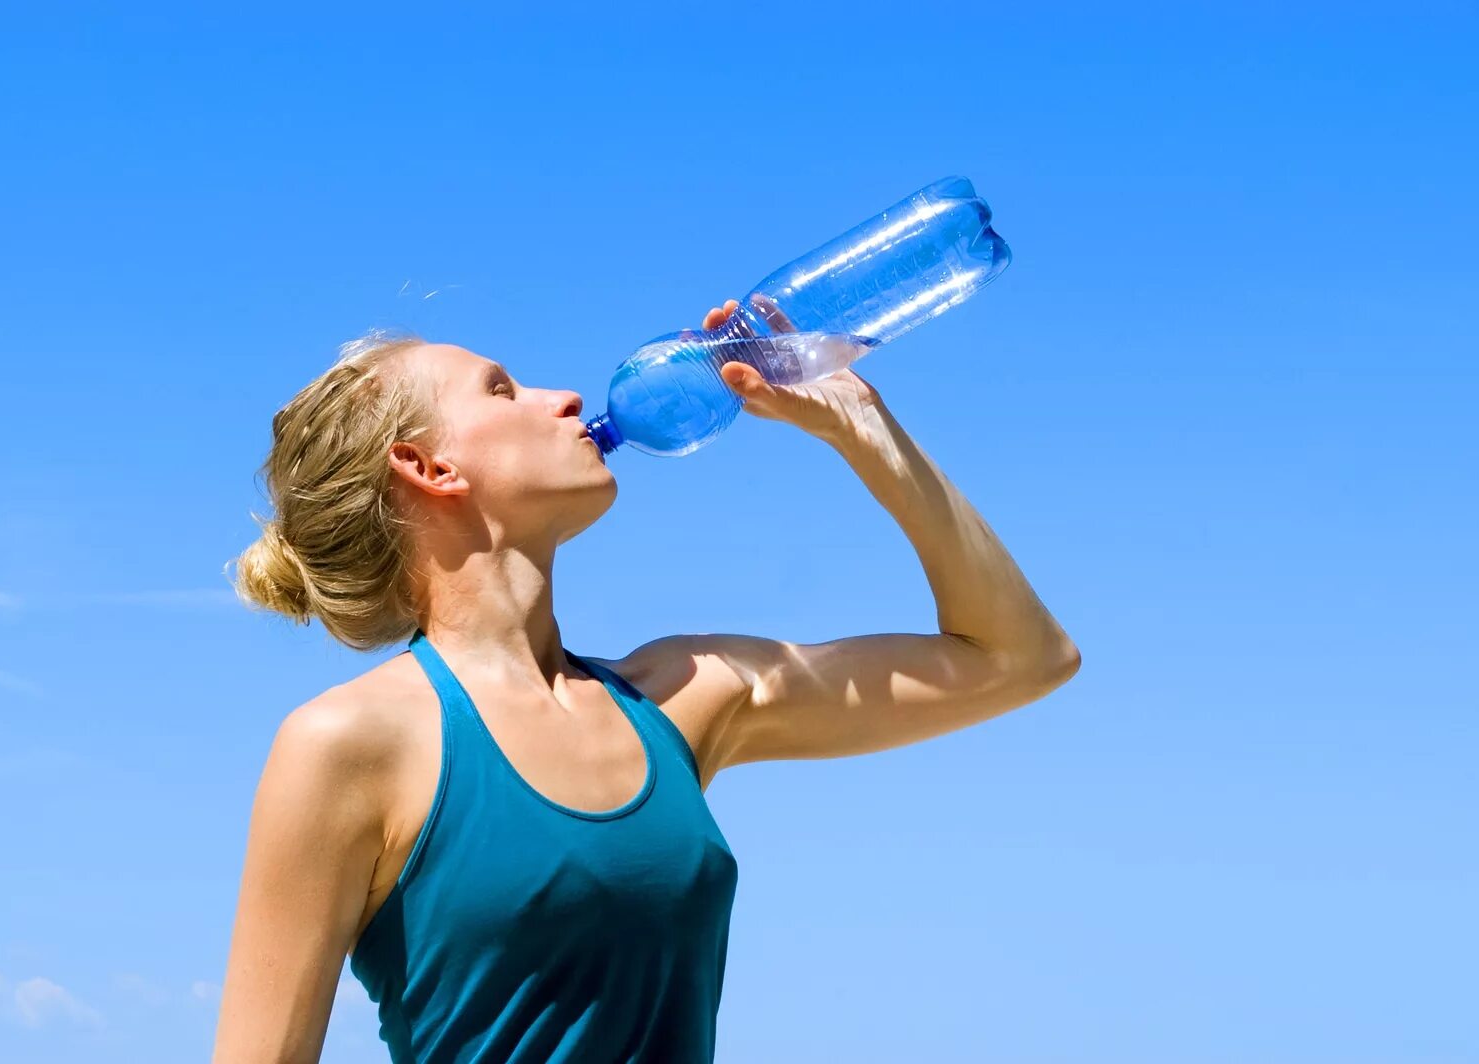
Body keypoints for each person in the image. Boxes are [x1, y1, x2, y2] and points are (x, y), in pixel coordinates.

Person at [211, 299, 1080, 1063]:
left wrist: (866, 431)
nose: (568, 399)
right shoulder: (351, 745)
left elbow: (1019, 658)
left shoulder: (687, 693)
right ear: (428, 467)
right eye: (503, 391)